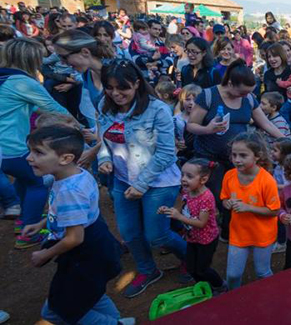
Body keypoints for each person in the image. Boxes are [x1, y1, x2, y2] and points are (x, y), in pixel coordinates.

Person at [95, 59, 187, 298]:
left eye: (122, 87)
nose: (115, 93)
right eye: (109, 87)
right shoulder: (104, 105)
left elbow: (167, 153)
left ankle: (191, 258)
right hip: (123, 180)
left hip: (159, 182)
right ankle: (148, 269)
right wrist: (103, 159)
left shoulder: (157, 109)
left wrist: (141, 184)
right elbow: (102, 140)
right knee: (128, 232)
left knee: (157, 236)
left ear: (136, 83)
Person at [23, 126, 132, 325]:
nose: (29, 158)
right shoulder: (76, 174)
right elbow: (73, 214)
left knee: (57, 311)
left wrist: (44, 255)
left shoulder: (69, 191)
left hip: (85, 255)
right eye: (30, 151)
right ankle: (117, 320)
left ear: (65, 158)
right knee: (90, 294)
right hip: (97, 248)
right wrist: (42, 223)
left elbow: (74, 237)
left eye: (38, 152)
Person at [188, 60, 285, 241]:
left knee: (238, 194)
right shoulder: (208, 95)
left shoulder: (248, 98)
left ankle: (228, 232)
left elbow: (264, 123)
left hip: (239, 159)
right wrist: (208, 129)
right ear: (230, 83)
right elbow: (191, 125)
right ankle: (221, 229)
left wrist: (285, 141)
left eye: (250, 91)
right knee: (218, 196)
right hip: (210, 156)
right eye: (243, 91)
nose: (247, 95)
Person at [0, 38, 69, 249]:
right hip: (11, 147)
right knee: (38, 183)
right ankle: (29, 231)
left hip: (5, 149)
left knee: (23, 179)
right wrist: (81, 130)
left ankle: (23, 221)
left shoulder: (4, 78)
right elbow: (55, 109)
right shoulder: (22, 82)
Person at [221, 132, 280, 290]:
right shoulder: (229, 176)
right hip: (239, 233)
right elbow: (225, 198)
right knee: (232, 275)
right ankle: (233, 299)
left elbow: (274, 211)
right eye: (234, 155)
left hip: (262, 234)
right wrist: (227, 204)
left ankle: (271, 294)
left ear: (257, 156)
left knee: (262, 271)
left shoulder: (267, 181)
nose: (237, 160)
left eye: (243, 155)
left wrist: (248, 208)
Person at [158, 158, 226, 293]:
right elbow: (183, 208)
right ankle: (203, 287)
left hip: (206, 240)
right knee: (191, 268)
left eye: (189, 176)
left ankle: (220, 286)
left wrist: (179, 217)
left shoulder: (206, 197)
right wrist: (168, 210)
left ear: (203, 179)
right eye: (182, 174)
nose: (183, 179)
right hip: (192, 237)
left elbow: (201, 223)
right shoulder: (187, 192)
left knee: (202, 268)